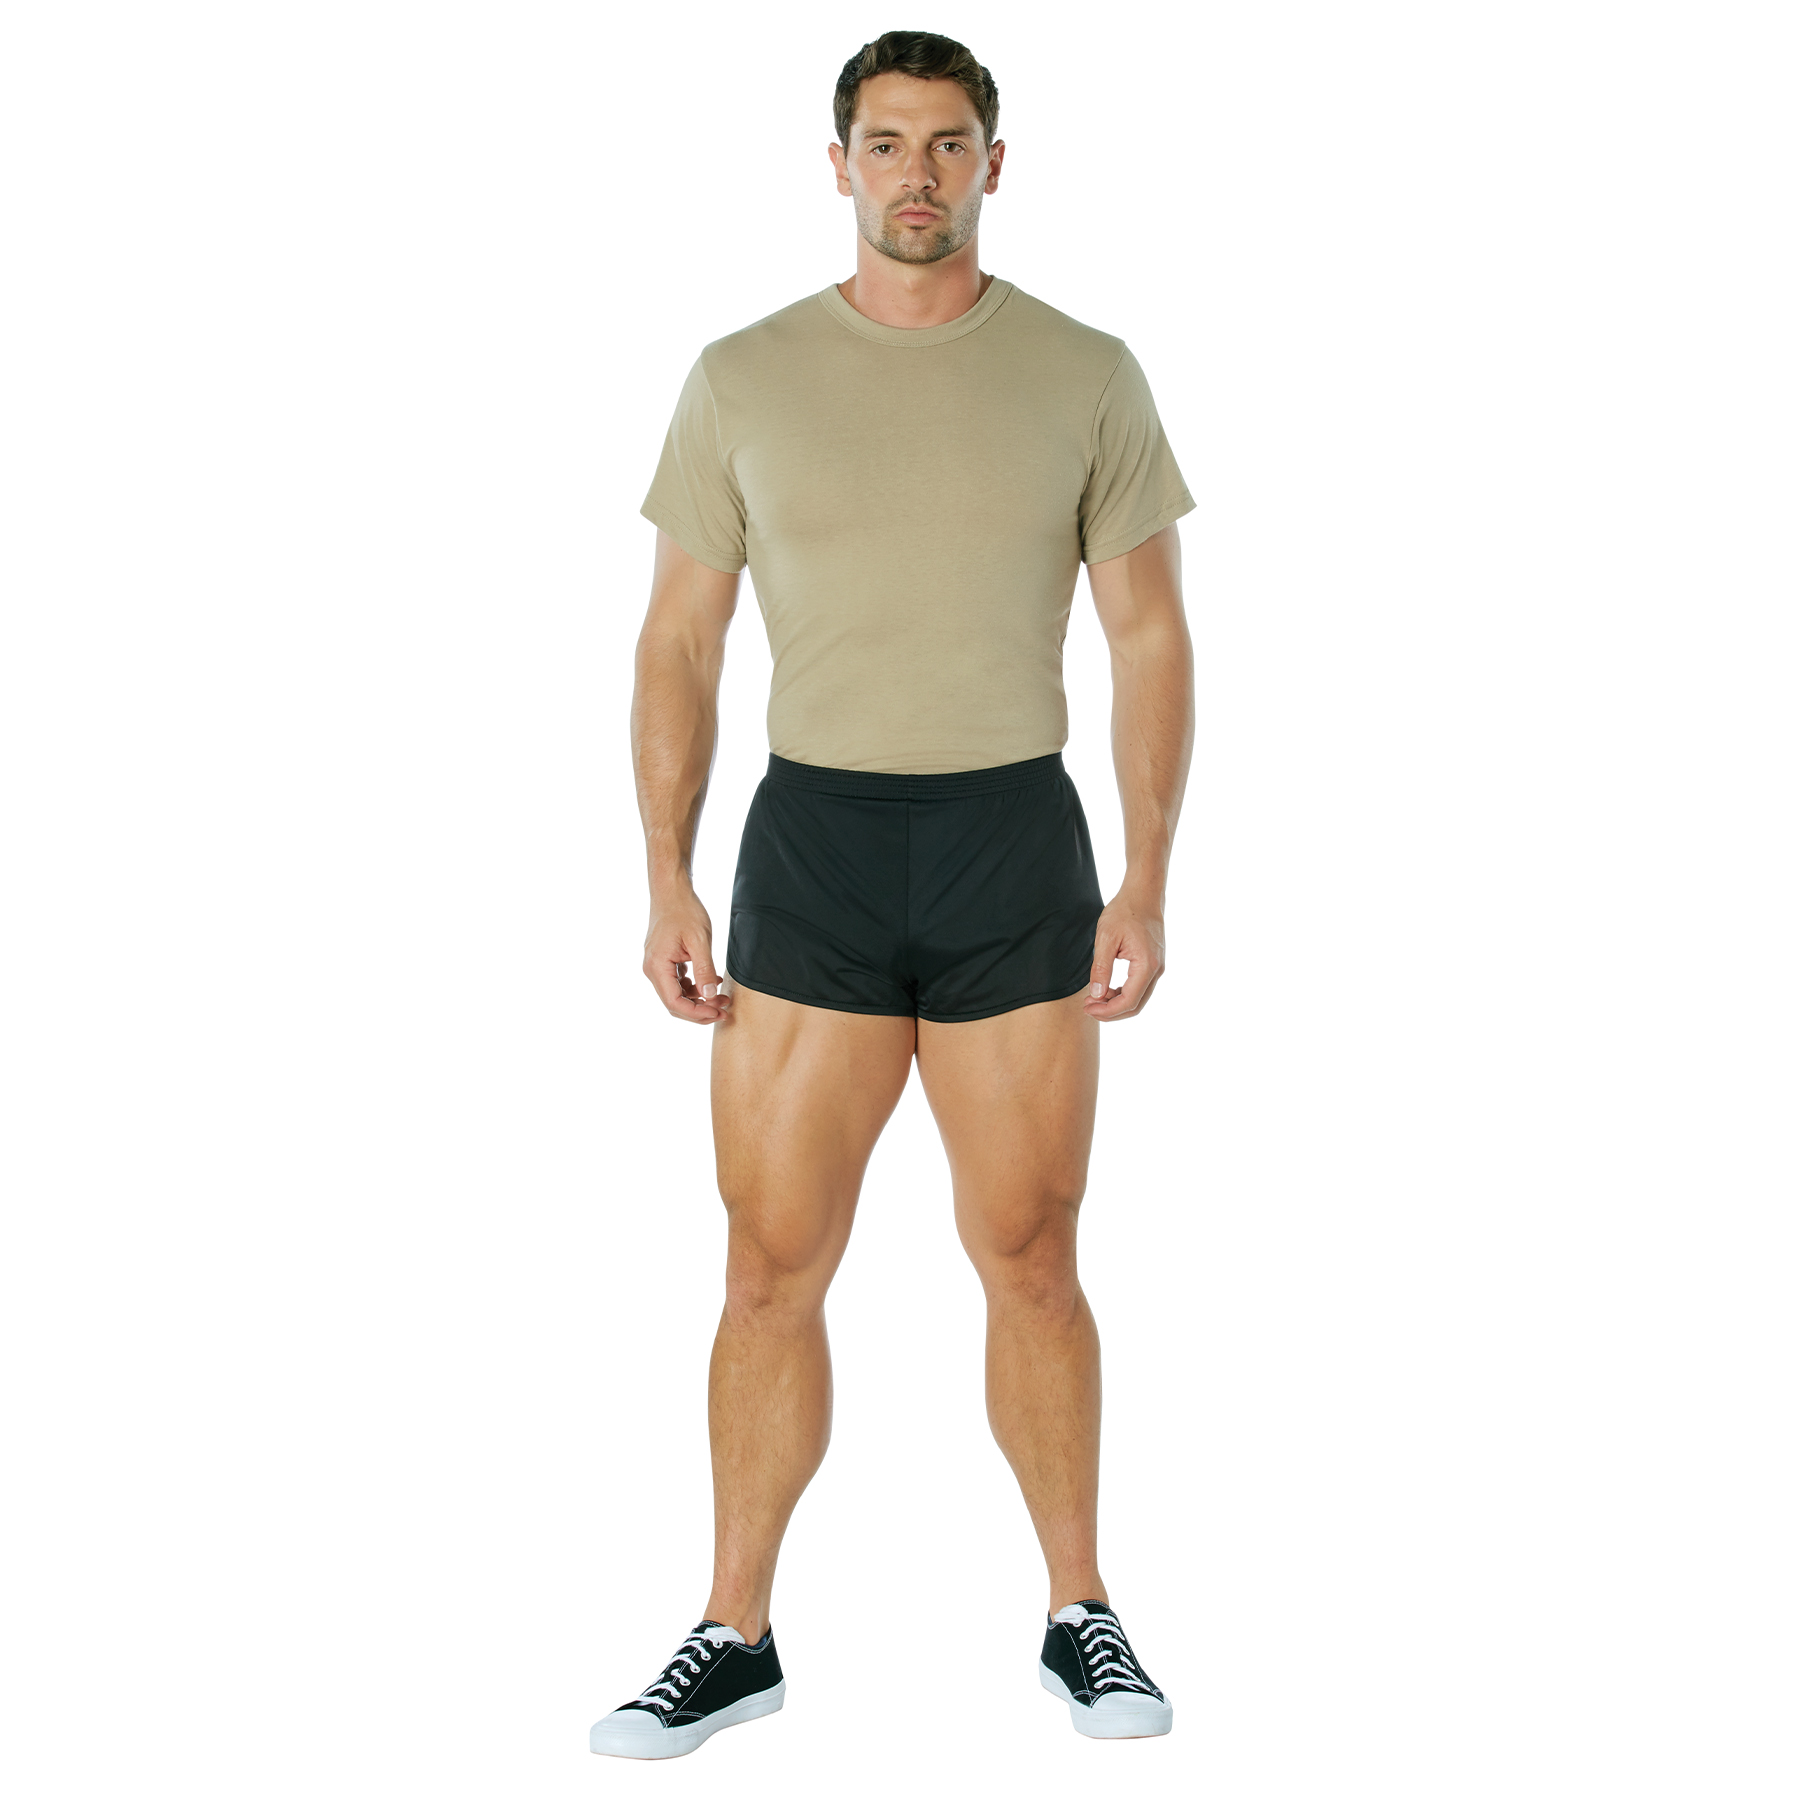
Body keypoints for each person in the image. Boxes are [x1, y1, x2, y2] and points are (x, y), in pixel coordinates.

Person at [591, 30, 1195, 1760]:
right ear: (837, 162)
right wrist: (663, 873)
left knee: (1032, 1252)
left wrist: (1149, 873)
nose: (914, 174)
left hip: (1014, 839)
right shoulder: (742, 376)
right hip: (816, 848)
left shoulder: (1086, 372)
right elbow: (679, 636)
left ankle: (1081, 1612)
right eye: (884, 142)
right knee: (769, 1266)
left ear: (995, 163)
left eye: (945, 144)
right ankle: (734, 1634)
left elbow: (1150, 635)